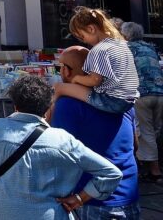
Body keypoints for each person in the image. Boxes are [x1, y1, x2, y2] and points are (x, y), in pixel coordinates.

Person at [0, 75, 122, 219]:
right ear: (48, 108)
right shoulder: (63, 140)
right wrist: (80, 198)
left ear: (15, 105)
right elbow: (111, 173)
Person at [52, 45, 139, 219]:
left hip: (89, 199)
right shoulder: (120, 104)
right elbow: (135, 146)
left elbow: (57, 155)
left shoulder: (67, 105)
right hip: (128, 194)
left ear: (66, 71)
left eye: (58, 67)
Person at [54, 7, 139, 115]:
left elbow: (95, 79)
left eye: (82, 37)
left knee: (59, 88)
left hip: (111, 101)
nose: (84, 41)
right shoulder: (120, 44)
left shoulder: (99, 50)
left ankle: (45, 119)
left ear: (91, 29)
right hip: (129, 101)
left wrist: (76, 79)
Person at [121, 21, 163, 181]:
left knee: (145, 132)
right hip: (159, 92)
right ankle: (149, 164)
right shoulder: (150, 47)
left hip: (142, 94)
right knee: (155, 131)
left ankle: (154, 170)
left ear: (126, 35)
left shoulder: (126, 48)